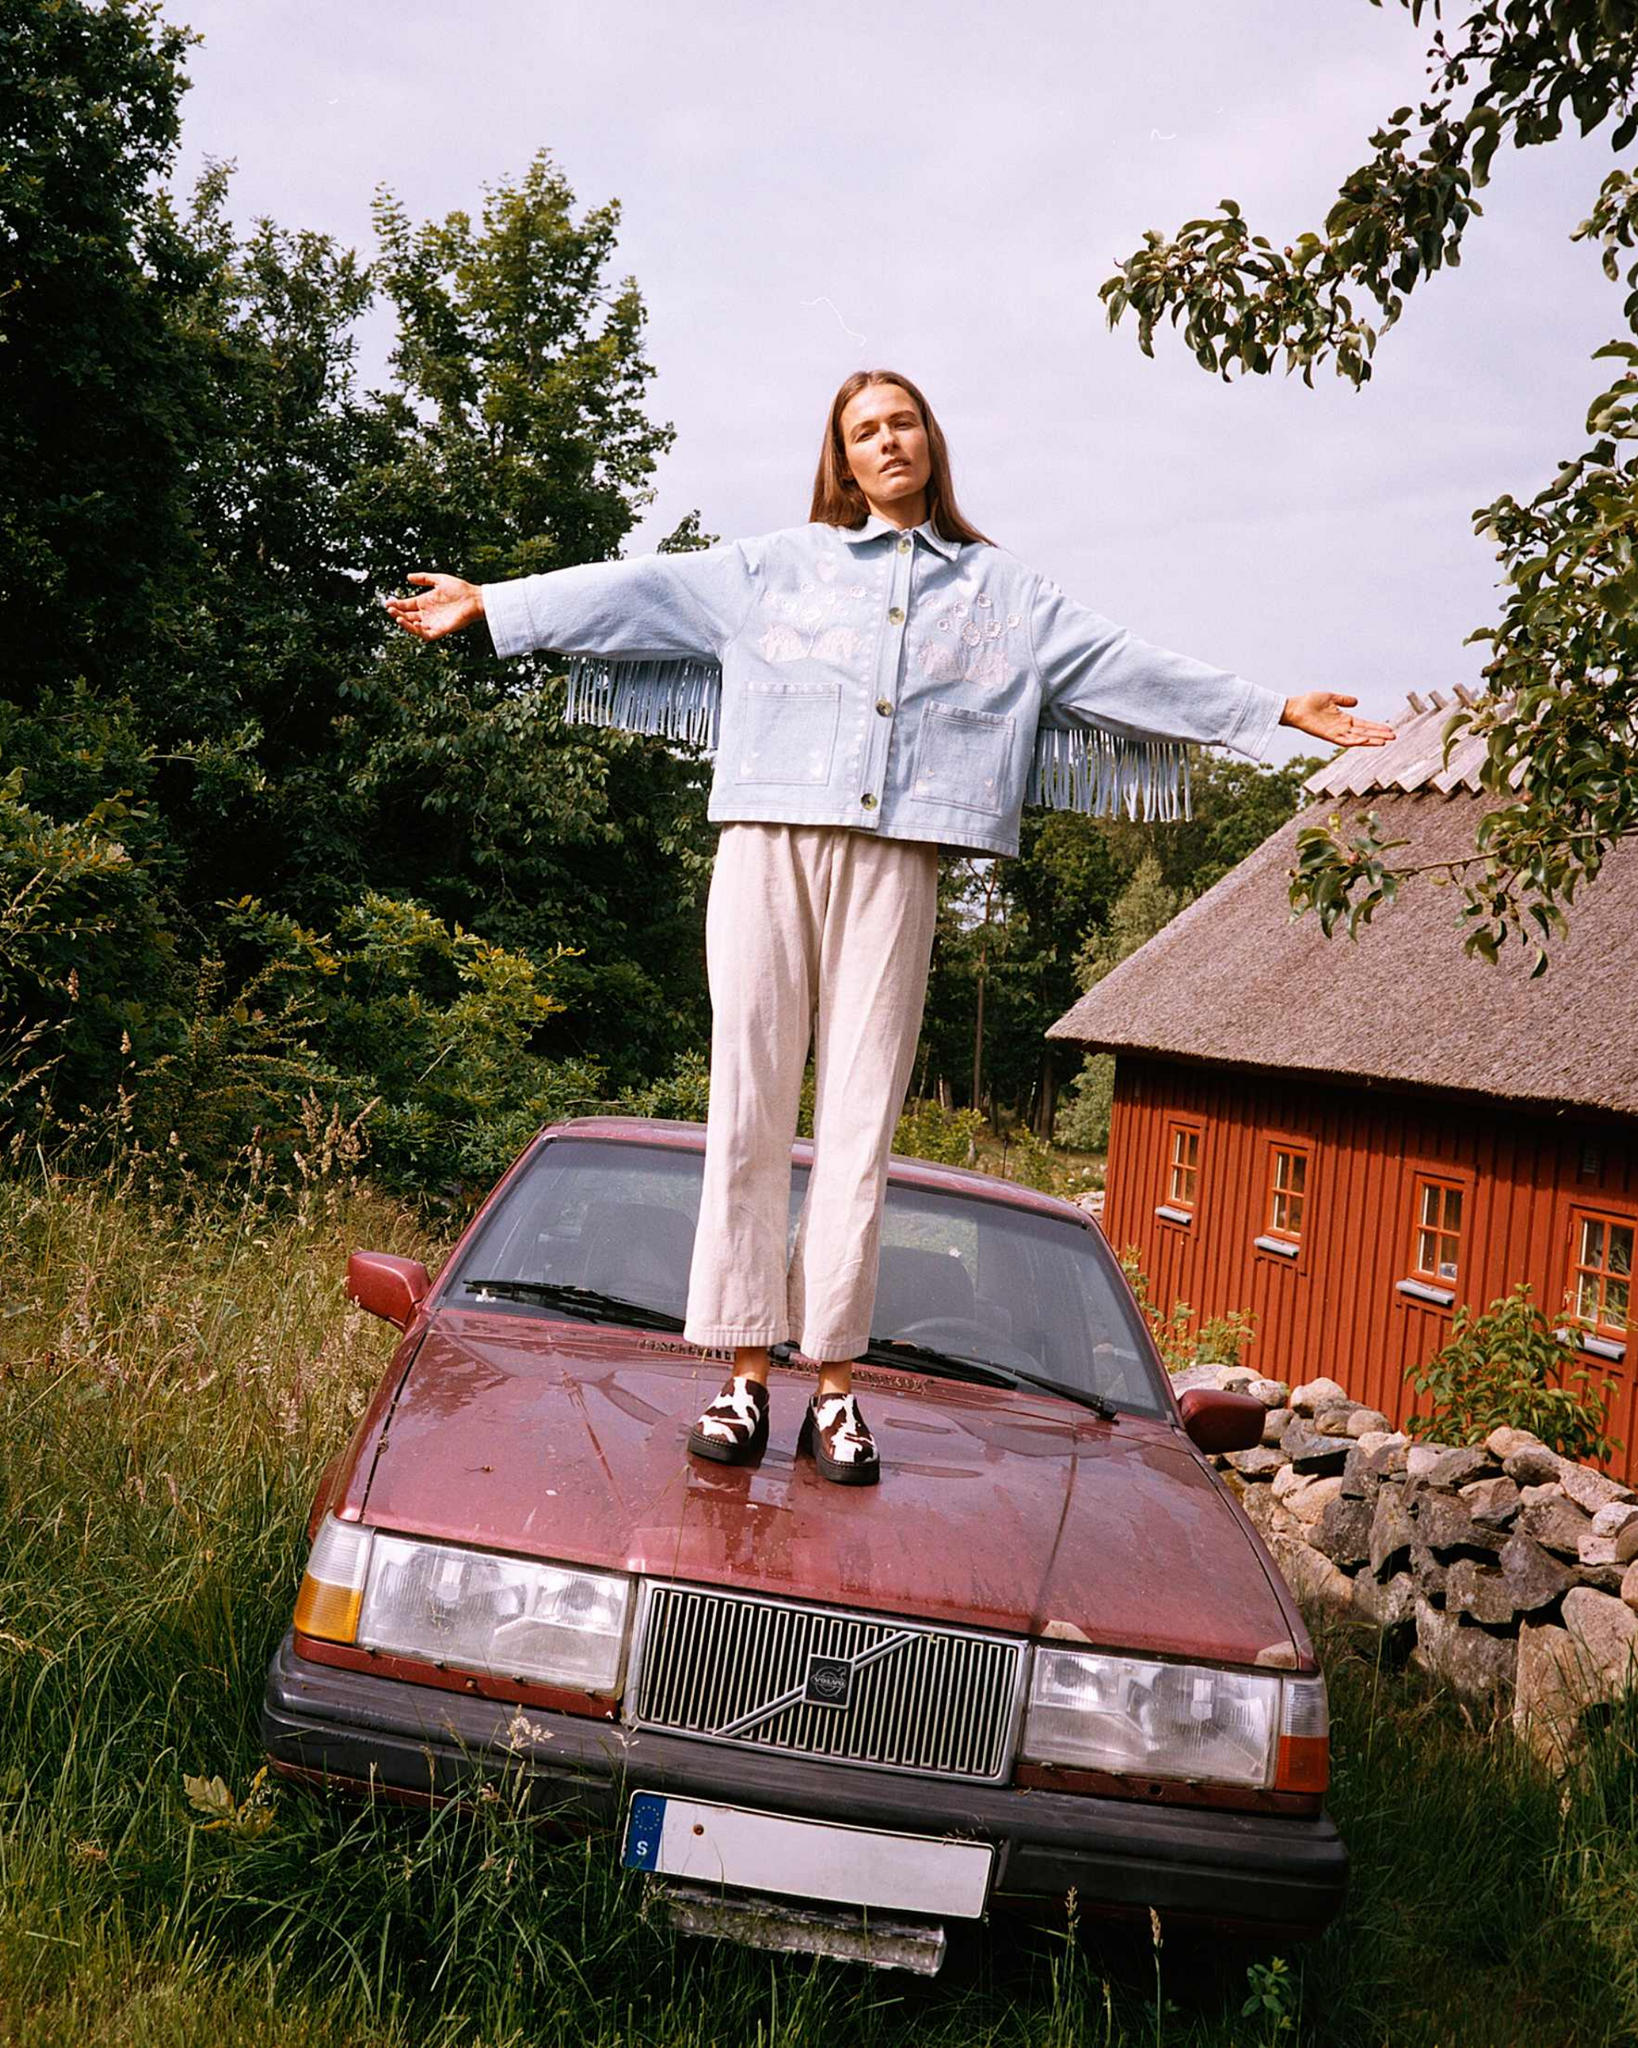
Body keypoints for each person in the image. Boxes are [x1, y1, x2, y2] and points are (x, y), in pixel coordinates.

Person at [386, 367, 1394, 1487]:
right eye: (864, 430)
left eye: (902, 422)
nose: (887, 441)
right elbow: (639, 588)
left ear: (930, 440)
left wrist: (1269, 709)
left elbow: (1120, 665)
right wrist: (498, 601)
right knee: (748, 1099)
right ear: (844, 458)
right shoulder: (775, 567)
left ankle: (833, 1388)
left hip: (897, 856)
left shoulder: (1003, 593)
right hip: (766, 837)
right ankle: (743, 1375)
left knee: (861, 1121)